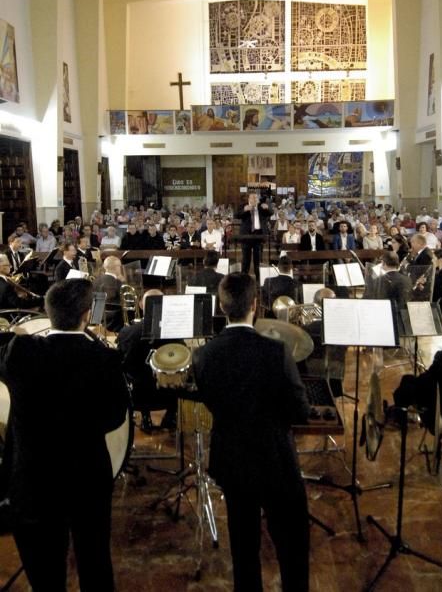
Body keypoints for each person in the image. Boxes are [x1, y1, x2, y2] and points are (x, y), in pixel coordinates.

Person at [0, 279, 128, 591]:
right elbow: (114, 418)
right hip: (86, 475)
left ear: (48, 312)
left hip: (33, 478)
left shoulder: (20, 352)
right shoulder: (104, 359)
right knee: (95, 562)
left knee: (44, 572)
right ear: (87, 315)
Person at [193, 273, 310, 592]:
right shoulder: (276, 351)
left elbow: (210, 399)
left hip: (233, 460)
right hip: (276, 459)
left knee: (244, 550)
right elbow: (300, 410)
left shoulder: (204, 355)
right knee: (292, 546)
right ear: (255, 305)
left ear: (221, 305)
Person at [117, 290, 177, 433]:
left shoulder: (126, 332)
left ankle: (145, 416)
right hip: (167, 394)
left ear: (141, 305)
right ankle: (171, 416)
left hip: (137, 396)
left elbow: (122, 363)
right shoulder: (174, 334)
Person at [237, 192, 272, 279]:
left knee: (258, 259)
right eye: (253, 198)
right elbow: (237, 215)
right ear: (248, 199)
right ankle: (244, 278)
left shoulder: (261, 206)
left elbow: (270, 213)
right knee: (246, 259)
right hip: (246, 236)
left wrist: (267, 208)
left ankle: (259, 279)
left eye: (256, 198)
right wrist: (245, 210)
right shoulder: (243, 206)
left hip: (258, 236)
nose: (255, 199)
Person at [93, 255, 124, 332]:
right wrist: (123, 281)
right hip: (115, 323)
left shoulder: (95, 281)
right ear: (116, 267)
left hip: (97, 319)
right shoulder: (118, 283)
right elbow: (126, 303)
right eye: (120, 266)